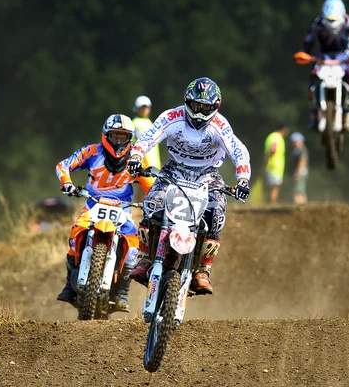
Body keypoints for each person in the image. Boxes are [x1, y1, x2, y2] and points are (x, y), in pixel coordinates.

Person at [126, 77, 251, 295]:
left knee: (217, 211)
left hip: (207, 174)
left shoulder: (220, 125)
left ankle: (203, 268)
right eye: (196, 105)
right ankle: (145, 257)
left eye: (206, 107)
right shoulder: (172, 117)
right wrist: (136, 156)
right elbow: (148, 137)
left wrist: (243, 179)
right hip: (174, 169)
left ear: (215, 106)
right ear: (187, 101)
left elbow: (238, 151)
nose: (200, 112)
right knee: (151, 203)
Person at [55, 114, 154, 312]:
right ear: (106, 136)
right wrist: (67, 183)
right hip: (93, 204)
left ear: (130, 138)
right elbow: (63, 165)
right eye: (115, 136)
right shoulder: (92, 152)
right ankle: (69, 284)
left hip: (123, 208)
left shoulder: (136, 160)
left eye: (123, 137)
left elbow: (150, 185)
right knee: (75, 234)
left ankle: (121, 293)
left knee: (134, 248)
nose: (118, 141)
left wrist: (155, 200)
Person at [301, 0, 349, 133]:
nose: (331, 23)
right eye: (329, 20)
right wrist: (305, 53)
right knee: (313, 80)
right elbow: (308, 39)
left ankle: (348, 116)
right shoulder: (318, 22)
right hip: (323, 58)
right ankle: (314, 114)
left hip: (344, 58)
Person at [132, 96, 162, 169]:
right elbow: (140, 144)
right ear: (137, 109)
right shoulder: (135, 123)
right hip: (144, 166)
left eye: (146, 107)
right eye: (142, 108)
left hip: (155, 165)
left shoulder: (150, 122)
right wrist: (146, 164)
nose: (144, 110)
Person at [264, 124, 289, 204]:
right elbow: (273, 148)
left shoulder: (271, 136)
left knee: (272, 186)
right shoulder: (276, 137)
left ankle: (270, 202)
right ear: (283, 130)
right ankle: (272, 203)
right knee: (275, 186)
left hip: (272, 165)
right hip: (275, 166)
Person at [290, 132, 309, 204]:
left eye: (295, 142)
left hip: (301, 171)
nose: (294, 144)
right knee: (298, 189)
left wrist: (297, 172)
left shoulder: (302, 150)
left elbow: (302, 161)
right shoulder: (297, 150)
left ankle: (300, 204)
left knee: (299, 190)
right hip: (299, 171)